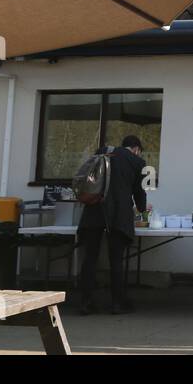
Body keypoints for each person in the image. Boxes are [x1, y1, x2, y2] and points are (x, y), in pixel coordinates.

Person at [77, 135, 147, 315]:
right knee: (116, 259)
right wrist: (141, 208)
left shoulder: (101, 153)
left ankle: (85, 302)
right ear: (136, 149)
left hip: (94, 210)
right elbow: (140, 193)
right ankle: (117, 302)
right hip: (118, 213)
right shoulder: (137, 162)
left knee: (90, 258)